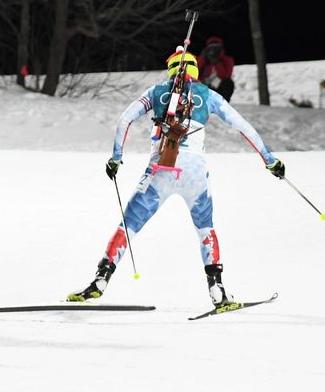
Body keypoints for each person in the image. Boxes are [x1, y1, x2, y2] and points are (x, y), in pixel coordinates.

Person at [67, 48, 285, 307]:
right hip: (195, 174)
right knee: (205, 228)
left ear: (171, 69)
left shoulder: (156, 92)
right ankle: (218, 291)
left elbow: (125, 119)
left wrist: (116, 157)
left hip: (161, 170)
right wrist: (270, 161)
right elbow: (243, 127)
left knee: (129, 225)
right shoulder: (209, 95)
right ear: (195, 69)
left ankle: (100, 281)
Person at [197, 36, 235, 102]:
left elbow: (227, 76)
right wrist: (203, 58)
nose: (213, 50)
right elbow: (196, 73)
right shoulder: (203, 59)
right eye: (211, 48)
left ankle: (222, 103)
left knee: (229, 83)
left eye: (216, 48)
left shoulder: (227, 60)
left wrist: (217, 62)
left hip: (219, 86)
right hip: (205, 85)